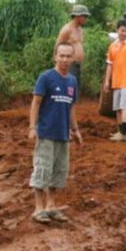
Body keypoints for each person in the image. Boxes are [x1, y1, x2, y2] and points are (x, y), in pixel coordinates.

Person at [28, 42, 82, 224]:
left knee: (59, 171)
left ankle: (51, 206)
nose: (65, 60)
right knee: (42, 169)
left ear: (73, 59)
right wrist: (32, 127)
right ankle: (38, 208)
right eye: (62, 56)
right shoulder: (46, 78)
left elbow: (71, 108)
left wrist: (75, 130)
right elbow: (35, 103)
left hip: (63, 134)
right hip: (46, 133)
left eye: (68, 56)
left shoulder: (72, 82)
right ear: (55, 57)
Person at [56, 4, 90, 89]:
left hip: (77, 65)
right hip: (69, 64)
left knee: (75, 89)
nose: (86, 18)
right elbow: (57, 46)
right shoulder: (67, 29)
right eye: (84, 16)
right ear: (77, 16)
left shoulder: (80, 29)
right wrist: (58, 65)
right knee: (68, 88)